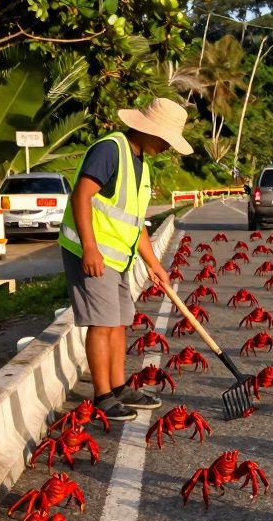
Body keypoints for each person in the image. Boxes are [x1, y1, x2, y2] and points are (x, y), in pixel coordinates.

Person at [59, 97, 193, 422]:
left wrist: (154, 264)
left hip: (119, 258)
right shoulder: (111, 150)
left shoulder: (141, 164)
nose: (167, 146)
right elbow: (81, 195)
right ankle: (102, 396)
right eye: (165, 138)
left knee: (119, 323)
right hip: (90, 253)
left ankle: (119, 387)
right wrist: (90, 247)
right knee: (102, 324)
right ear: (148, 129)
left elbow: (136, 223)